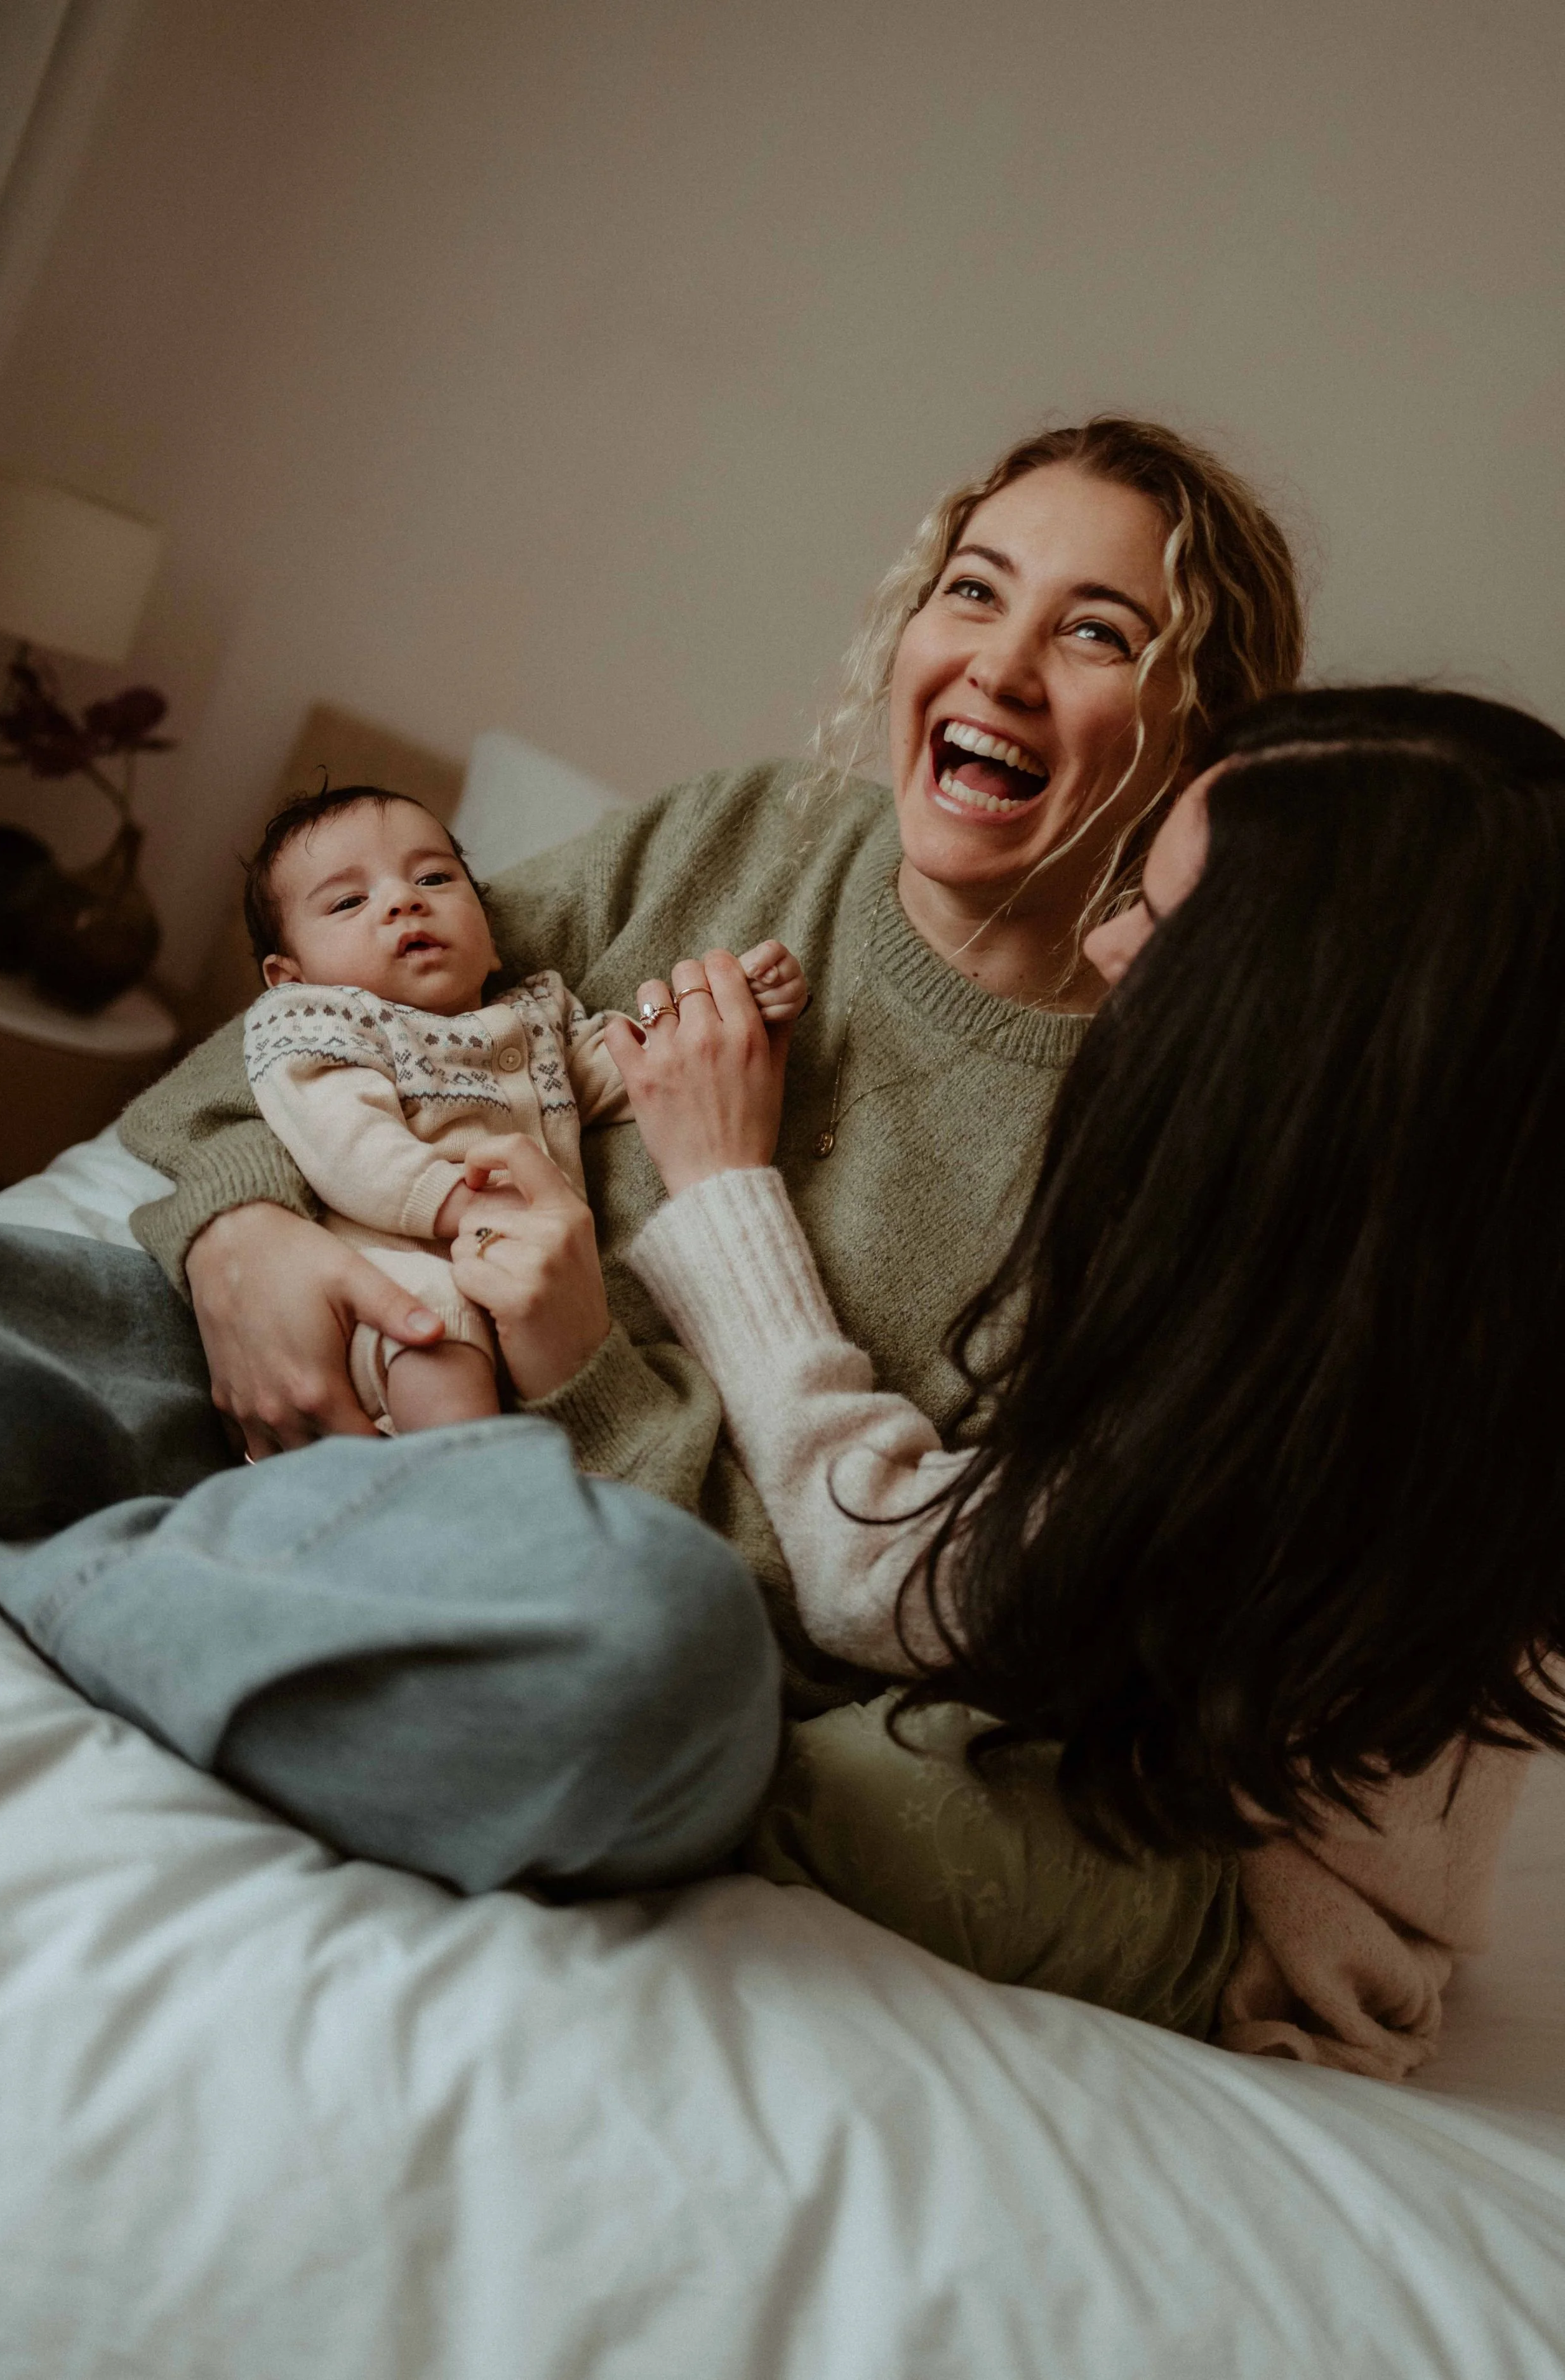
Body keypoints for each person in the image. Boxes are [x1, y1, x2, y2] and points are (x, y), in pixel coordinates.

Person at [113, 415, 1304, 1706]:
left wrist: (583, 1376)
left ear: (1198, 745)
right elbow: (272, 1046)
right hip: (336, 1390)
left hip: (599, 1610)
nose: (998, 667)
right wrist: (241, 1239)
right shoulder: (745, 830)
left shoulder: (1149, 1157)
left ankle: (138, 1613)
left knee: (656, 1678)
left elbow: (834, 1609)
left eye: (1097, 633)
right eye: (971, 590)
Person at [609, 685, 1565, 2075]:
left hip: (1247, 1896)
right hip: (1124, 1725)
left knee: (818, 1778)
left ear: (1300, 1029)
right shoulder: (1405, 1230)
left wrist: (721, 1186)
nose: (1105, 940)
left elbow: (884, 1574)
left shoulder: (1339, 1362)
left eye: (1162, 923)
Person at [235, 777, 803, 1431]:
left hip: (532, 1305)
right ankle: (472, 1489)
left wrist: (733, 1010)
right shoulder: (321, 1025)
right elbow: (346, 1144)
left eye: (435, 880)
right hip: (394, 1281)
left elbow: (636, 1071)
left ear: (491, 937)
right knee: (439, 1325)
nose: (402, 902)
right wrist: (460, 1205)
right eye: (349, 901)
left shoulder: (536, 1017)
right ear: (290, 978)